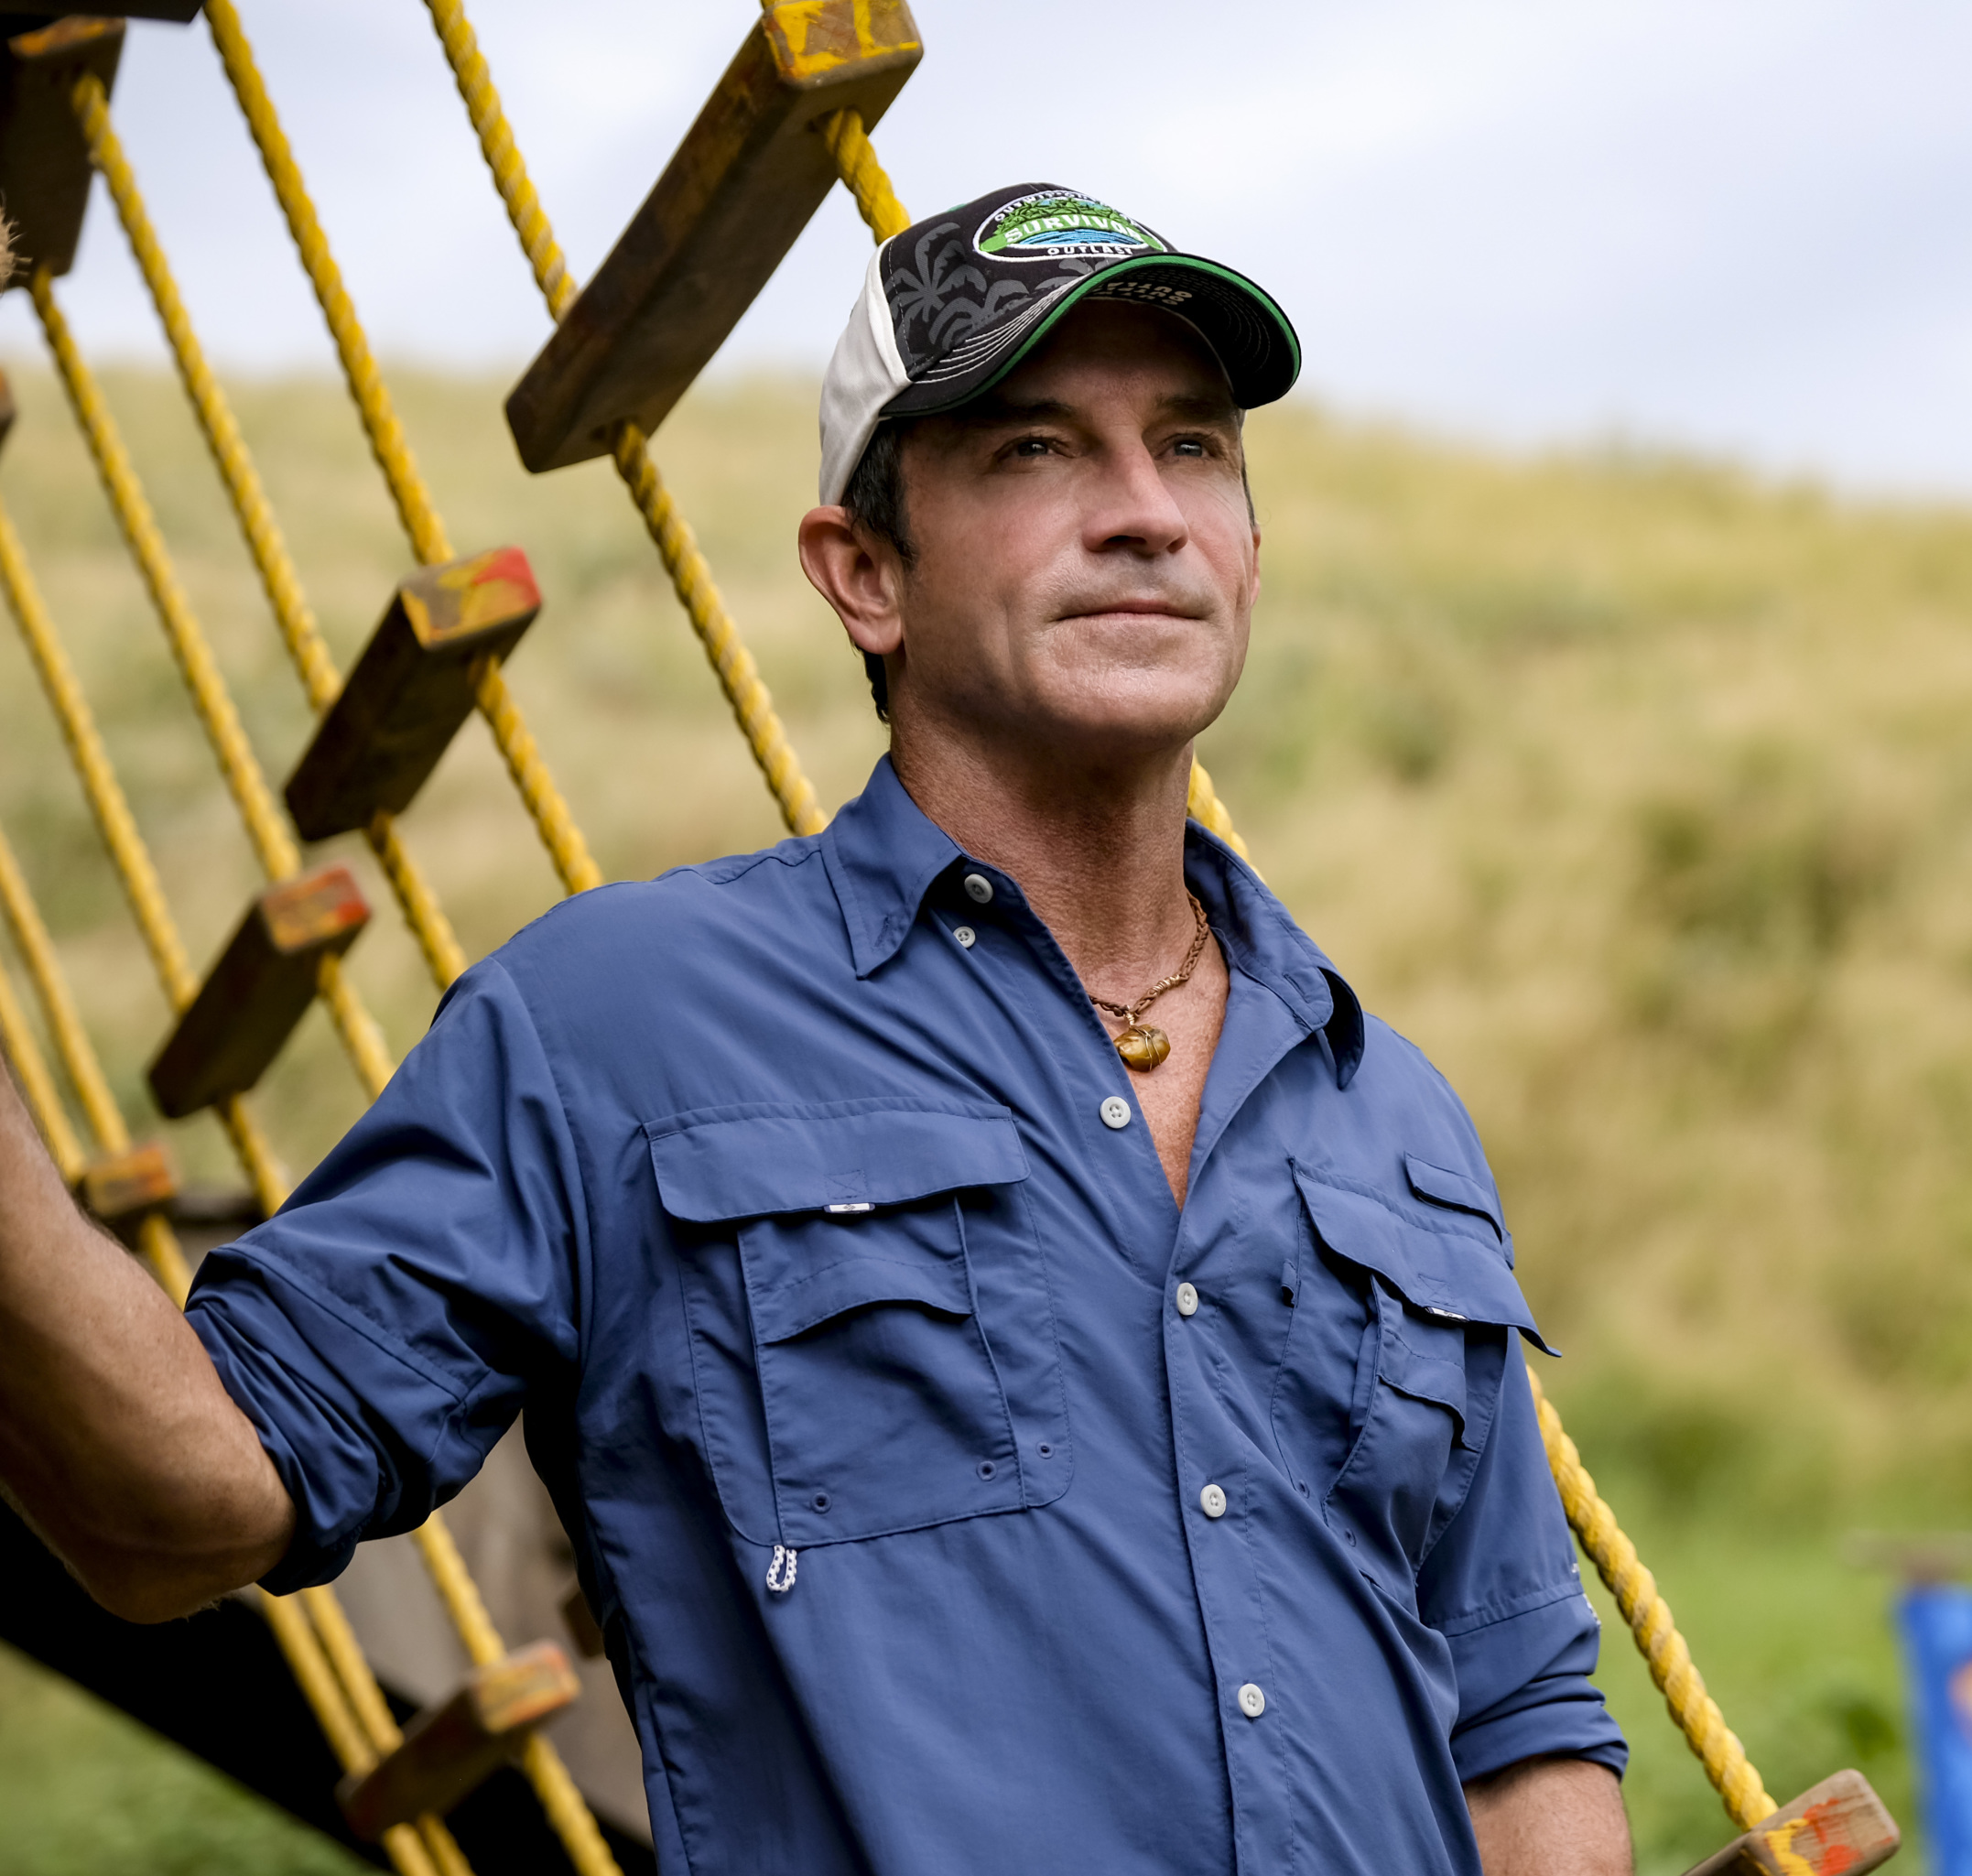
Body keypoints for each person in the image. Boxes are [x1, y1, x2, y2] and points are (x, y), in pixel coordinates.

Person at [0, 183, 1634, 1875]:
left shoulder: (1393, 1112)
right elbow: (177, 1501)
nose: (1144, 512)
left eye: (1194, 447)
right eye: (1034, 450)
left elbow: (1521, 1731)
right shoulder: (618, 1027)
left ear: (1249, 549)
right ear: (864, 575)